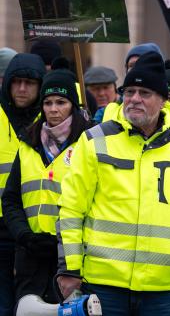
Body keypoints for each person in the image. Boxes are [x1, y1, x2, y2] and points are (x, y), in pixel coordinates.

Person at [56, 52, 170, 316]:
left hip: (161, 287)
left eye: (144, 93)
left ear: (163, 100)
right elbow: (71, 209)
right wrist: (70, 268)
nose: (134, 99)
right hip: (103, 284)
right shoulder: (95, 140)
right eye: (129, 91)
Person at [1, 70, 92, 303]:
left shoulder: (88, 143)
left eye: (61, 102)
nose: (53, 109)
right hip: (31, 255)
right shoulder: (28, 144)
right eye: (48, 103)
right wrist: (24, 236)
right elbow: (11, 199)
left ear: (73, 105)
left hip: (72, 258)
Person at [0, 53, 46, 316]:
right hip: (1, 231)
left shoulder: (52, 118)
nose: (21, 88)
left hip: (36, 232)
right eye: (16, 82)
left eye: (29, 83)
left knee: (32, 307)